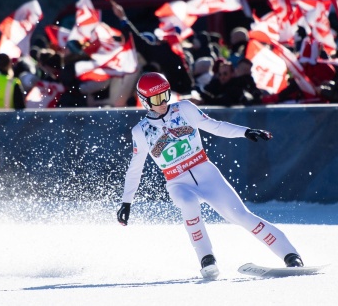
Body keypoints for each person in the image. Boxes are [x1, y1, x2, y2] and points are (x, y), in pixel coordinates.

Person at [116, 72, 304, 279]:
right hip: (178, 182)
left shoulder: (184, 108)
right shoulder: (140, 131)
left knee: (241, 216)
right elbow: (135, 168)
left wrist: (246, 131)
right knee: (188, 203)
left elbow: (215, 126)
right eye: (156, 99)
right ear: (144, 101)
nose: (163, 103)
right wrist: (127, 202)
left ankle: (291, 255)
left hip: (206, 172)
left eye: (166, 95)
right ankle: (207, 260)